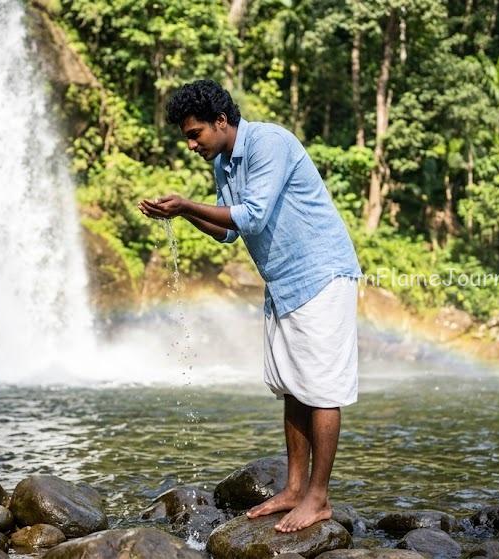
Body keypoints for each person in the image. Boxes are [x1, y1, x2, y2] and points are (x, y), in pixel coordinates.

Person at [138, 79, 363, 533]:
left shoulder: (269, 142)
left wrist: (185, 203)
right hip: (282, 282)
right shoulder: (223, 161)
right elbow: (228, 230)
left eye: (195, 133)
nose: (191, 144)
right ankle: (295, 488)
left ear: (221, 121)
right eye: (186, 136)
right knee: (294, 385)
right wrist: (183, 213)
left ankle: (318, 499)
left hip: (320, 273)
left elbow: (252, 214)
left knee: (322, 387)